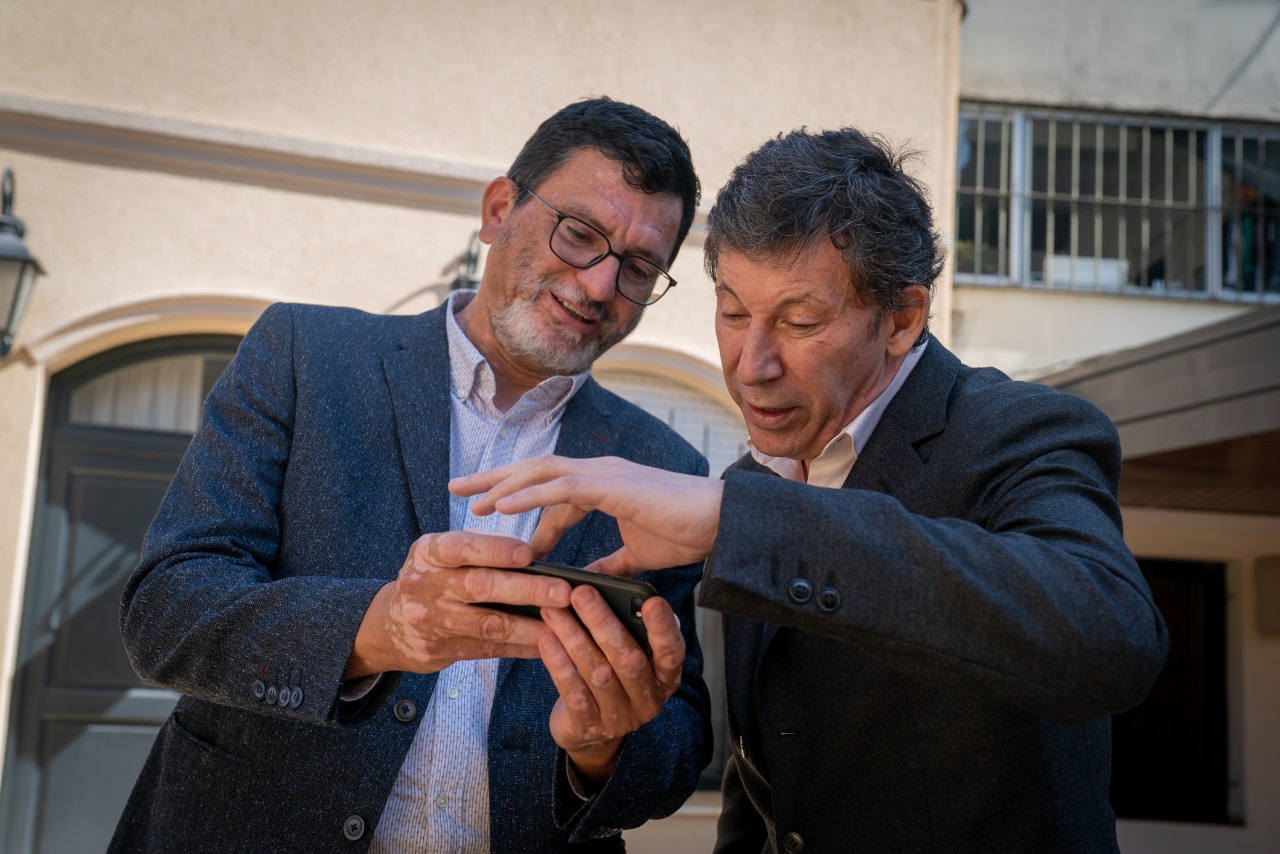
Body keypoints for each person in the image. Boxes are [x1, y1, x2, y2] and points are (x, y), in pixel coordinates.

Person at [454, 127, 1170, 853]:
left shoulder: (1023, 429)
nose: (751, 365)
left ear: (901, 320)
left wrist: (738, 520)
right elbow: (762, 793)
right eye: (733, 312)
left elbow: (1113, 639)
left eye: (800, 322)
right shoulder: (751, 486)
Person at [112, 97, 713, 853]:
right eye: (580, 235)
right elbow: (166, 610)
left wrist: (601, 750)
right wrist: (381, 629)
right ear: (499, 210)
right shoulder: (305, 355)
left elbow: (681, 743)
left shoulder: (666, 469)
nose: (599, 286)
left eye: (638, 268)